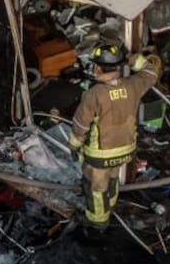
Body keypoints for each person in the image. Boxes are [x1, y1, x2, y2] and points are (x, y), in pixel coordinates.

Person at [68, 42, 163, 230]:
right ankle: (109, 206)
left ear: (97, 67)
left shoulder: (93, 95)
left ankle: (97, 222)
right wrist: (131, 58)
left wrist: (74, 146)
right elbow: (151, 71)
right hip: (126, 151)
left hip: (100, 156)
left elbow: (80, 126)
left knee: (96, 189)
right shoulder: (133, 86)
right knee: (112, 178)